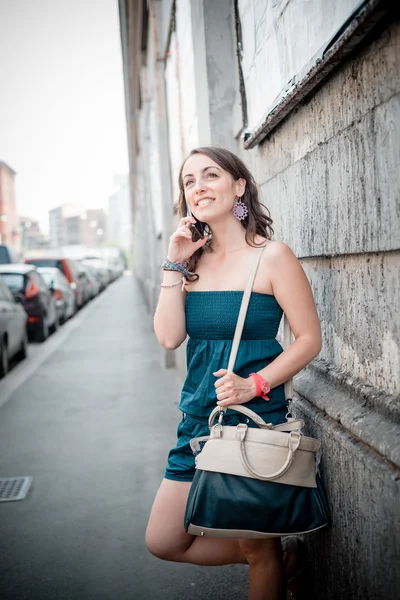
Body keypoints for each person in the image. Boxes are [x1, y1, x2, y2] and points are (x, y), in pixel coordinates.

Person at [146, 146, 322, 600]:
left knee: (254, 546)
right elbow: (168, 337)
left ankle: (268, 559)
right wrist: (174, 261)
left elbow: (308, 339)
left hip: (252, 420)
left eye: (211, 175)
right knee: (163, 540)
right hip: (196, 420)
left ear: (238, 185)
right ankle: (281, 559)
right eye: (189, 181)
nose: (199, 186)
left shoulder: (273, 257)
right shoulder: (191, 263)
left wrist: (255, 384)